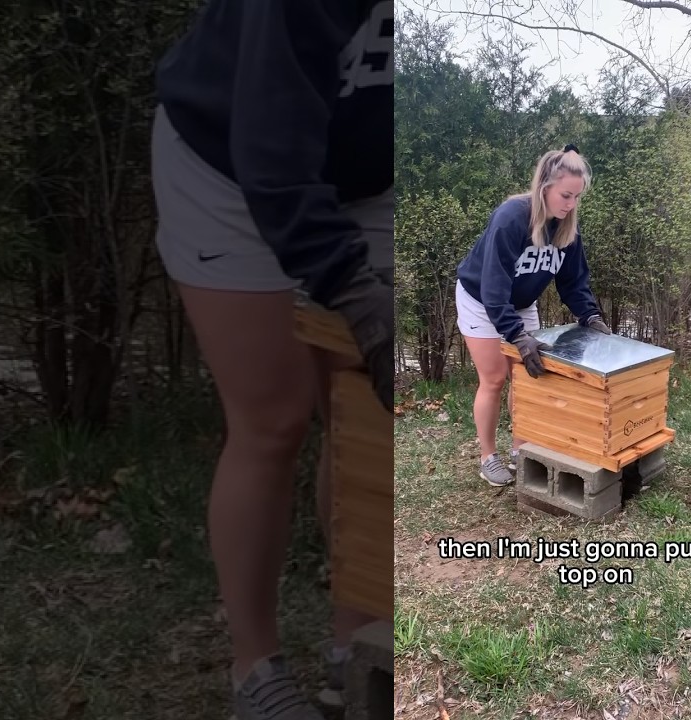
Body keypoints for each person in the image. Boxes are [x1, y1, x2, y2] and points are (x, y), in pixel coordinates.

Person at [150, 2, 393, 718]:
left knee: (363, 410)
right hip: (231, 163)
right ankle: (255, 672)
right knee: (273, 418)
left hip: (367, 174)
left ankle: (356, 648)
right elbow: (272, 150)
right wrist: (355, 294)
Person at [453, 145, 613, 487]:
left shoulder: (567, 229)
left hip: (522, 303)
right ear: (544, 186)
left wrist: (590, 316)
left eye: (576, 197)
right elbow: (494, 287)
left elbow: (573, 281)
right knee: (494, 378)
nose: (570, 204)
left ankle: (521, 449)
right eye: (565, 195)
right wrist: (516, 335)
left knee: (527, 377)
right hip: (481, 299)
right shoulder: (511, 217)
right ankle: (488, 457)